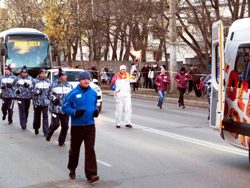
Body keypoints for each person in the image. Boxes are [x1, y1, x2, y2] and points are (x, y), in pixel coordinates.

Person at [63, 71, 100, 183]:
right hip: (77, 126)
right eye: (84, 79)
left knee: (90, 149)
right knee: (75, 150)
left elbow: (95, 105)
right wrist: (74, 112)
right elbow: (64, 107)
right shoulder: (73, 93)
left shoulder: (93, 93)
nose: (86, 81)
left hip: (90, 125)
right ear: (80, 80)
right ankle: (72, 168)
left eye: (88, 79)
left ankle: (91, 174)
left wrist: (96, 111)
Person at [46, 68, 73, 146]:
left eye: (65, 75)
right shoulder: (53, 84)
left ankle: (61, 141)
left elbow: (72, 96)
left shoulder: (69, 85)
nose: (66, 77)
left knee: (65, 126)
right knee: (55, 125)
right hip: (55, 109)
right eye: (64, 75)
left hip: (65, 109)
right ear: (60, 76)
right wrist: (54, 98)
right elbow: (48, 94)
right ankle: (49, 133)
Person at [32, 68, 51, 136]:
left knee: (45, 116)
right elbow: (31, 89)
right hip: (37, 102)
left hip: (45, 102)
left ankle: (46, 130)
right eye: (42, 73)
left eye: (45, 73)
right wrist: (36, 92)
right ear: (39, 74)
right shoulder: (35, 81)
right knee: (37, 116)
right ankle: (36, 127)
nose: (44, 75)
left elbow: (50, 91)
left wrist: (49, 99)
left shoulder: (48, 81)